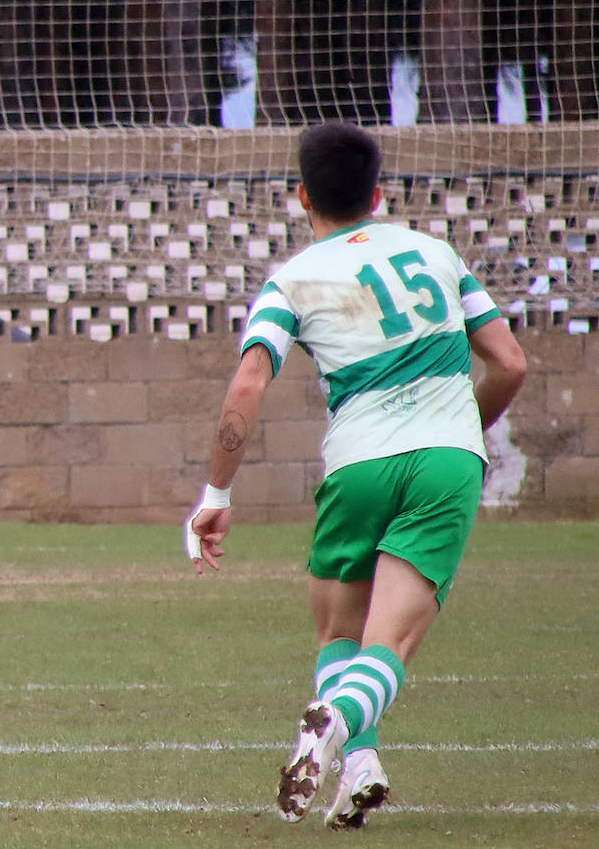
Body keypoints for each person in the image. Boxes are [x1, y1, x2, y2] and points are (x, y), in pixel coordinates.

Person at [185, 122, 526, 830]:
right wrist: (465, 432)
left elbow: (248, 384)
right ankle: (343, 727)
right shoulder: (435, 252)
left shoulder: (293, 279)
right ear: (377, 194)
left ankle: (359, 764)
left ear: (302, 197)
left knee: (340, 633)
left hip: (357, 464)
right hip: (443, 463)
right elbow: (510, 363)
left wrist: (215, 494)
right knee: (390, 645)